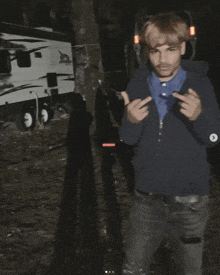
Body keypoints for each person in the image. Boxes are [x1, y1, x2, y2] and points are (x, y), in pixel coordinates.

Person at [119, 12, 220, 275]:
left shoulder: (200, 84)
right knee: (133, 268)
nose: (163, 60)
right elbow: (127, 139)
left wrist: (199, 117)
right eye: (155, 51)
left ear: (183, 48)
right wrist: (130, 121)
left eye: (171, 49)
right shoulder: (138, 84)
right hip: (147, 201)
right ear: (146, 52)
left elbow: (213, 138)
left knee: (189, 269)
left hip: (190, 201)